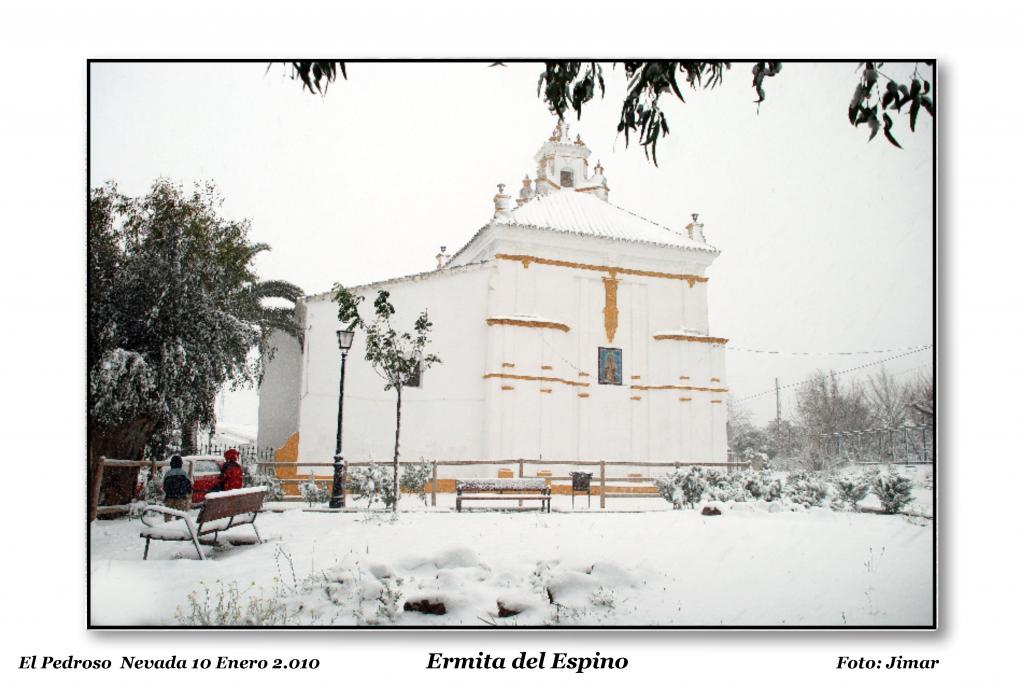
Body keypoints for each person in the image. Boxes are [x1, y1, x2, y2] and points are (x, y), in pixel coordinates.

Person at [162, 455, 193, 521]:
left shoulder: (168, 474)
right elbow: (189, 486)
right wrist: (187, 493)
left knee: (168, 515)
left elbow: (164, 487)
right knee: (180, 515)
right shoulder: (184, 474)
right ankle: (179, 526)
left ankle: (166, 526)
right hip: (181, 497)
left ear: (171, 464)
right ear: (180, 464)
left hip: (169, 497)